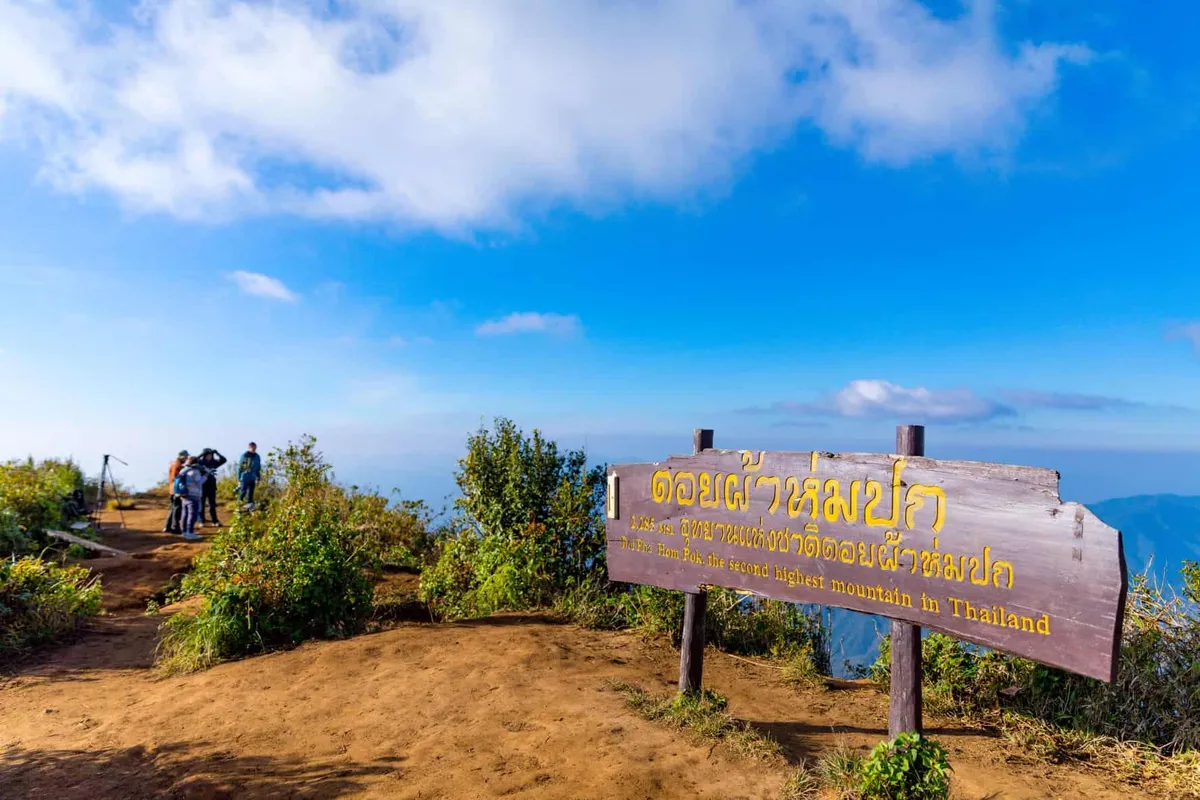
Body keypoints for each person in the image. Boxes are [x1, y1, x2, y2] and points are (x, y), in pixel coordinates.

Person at [197, 447, 227, 527]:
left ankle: (215, 521)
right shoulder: (200, 462)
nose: (209, 456)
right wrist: (202, 454)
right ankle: (201, 521)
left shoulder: (214, 462)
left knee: (212, 505)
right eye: (208, 454)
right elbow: (193, 460)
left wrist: (217, 453)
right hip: (202, 486)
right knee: (201, 505)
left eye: (211, 454)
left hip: (212, 486)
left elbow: (224, 460)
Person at [178, 457, 205, 541]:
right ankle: (190, 532)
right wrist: (206, 475)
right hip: (193, 495)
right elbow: (200, 481)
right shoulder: (195, 471)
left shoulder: (183, 470)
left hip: (184, 494)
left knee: (185, 514)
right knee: (192, 515)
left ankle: (184, 531)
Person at [163, 450, 189, 534]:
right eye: (185, 457)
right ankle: (175, 527)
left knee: (173, 508)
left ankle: (167, 526)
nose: (186, 458)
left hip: (172, 489)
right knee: (177, 509)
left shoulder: (173, 464)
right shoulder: (178, 466)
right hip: (176, 490)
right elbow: (176, 477)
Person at [237, 442, 262, 508]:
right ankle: (238, 506)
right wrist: (239, 480)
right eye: (252, 448)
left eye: (255, 448)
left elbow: (258, 468)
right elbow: (240, 468)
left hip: (252, 477)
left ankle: (248, 508)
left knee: (250, 494)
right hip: (245, 477)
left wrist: (258, 478)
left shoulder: (257, 456)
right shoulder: (244, 456)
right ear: (249, 448)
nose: (254, 449)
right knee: (243, 492)